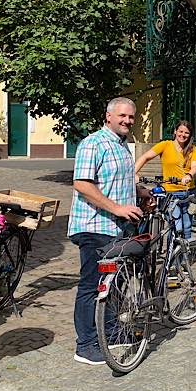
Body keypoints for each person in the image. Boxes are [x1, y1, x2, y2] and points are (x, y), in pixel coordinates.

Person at [67, 97, 148, 365]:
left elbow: (117, 181)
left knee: (116, 282)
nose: (127, 121)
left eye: (131, 117)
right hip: (94, 226)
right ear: (108, 117)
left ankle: (110, 332)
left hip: (117, 227)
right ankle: (86, 345)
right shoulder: (93, 143)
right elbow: (82, 184)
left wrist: (139, 193)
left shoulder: (123, 147)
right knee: (92, 287)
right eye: (122, 116)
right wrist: (116, 208)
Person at [134, 120, 196, 240]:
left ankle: (186, 255)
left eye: (186, 133)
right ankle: (173, 256)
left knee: (188, 226)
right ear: (175, 131)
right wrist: (134, 173)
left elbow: (195, 166)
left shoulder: (192, 149)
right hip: (171, 192)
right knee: (176, 225)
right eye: (180, 131)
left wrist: (189, 175)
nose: (183, 135)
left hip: (188, 191)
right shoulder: (165, 145)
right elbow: (145, 157)